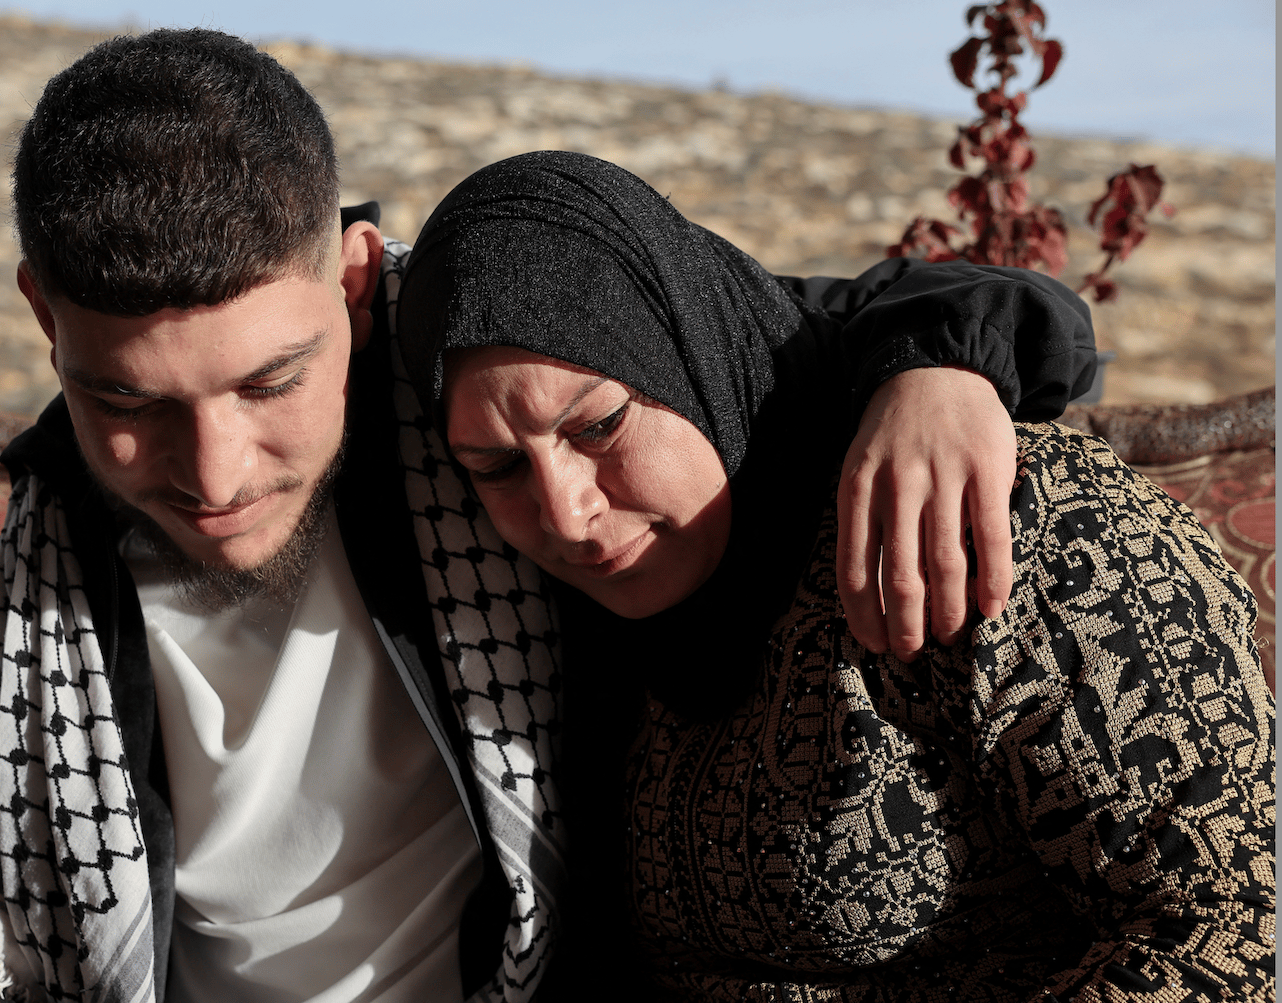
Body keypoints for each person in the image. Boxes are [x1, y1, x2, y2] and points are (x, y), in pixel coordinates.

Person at [0, 31, 1100, 1003]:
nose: (214, 475)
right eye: (125, 402)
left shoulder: (488, 404)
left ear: (351, 275)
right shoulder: (2, 645)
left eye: (272, 382)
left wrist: (940, 367)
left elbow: (750, 333)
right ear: (40, 319)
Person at [395, 150, 1276, 1002]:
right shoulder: (561, 623)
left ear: (689, 355)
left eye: (599, 428)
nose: (565, 515)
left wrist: (943, 360)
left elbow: (1237, 930)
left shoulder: (993, 524)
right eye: (498, 469)